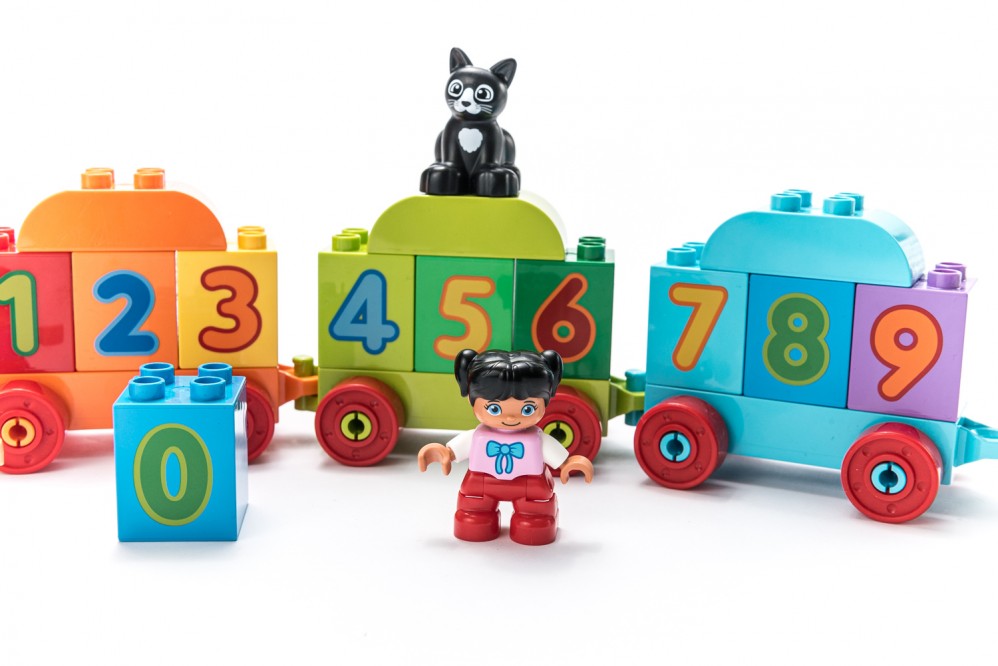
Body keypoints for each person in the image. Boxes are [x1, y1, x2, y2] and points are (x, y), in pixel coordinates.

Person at [418, 349, 593, 545]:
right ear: (470, 399)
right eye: (494, 408)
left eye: (527, 409)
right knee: (474, 510)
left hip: (530, 484)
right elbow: (454, 450)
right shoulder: (478, 436)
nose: (510, 417)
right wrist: (445, 453)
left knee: (535, 514)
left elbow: (557, 455)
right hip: (481, 481)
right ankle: (476, 519)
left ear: (546, 402)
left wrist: (568, 463)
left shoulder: (536, 438)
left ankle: (535, 521)